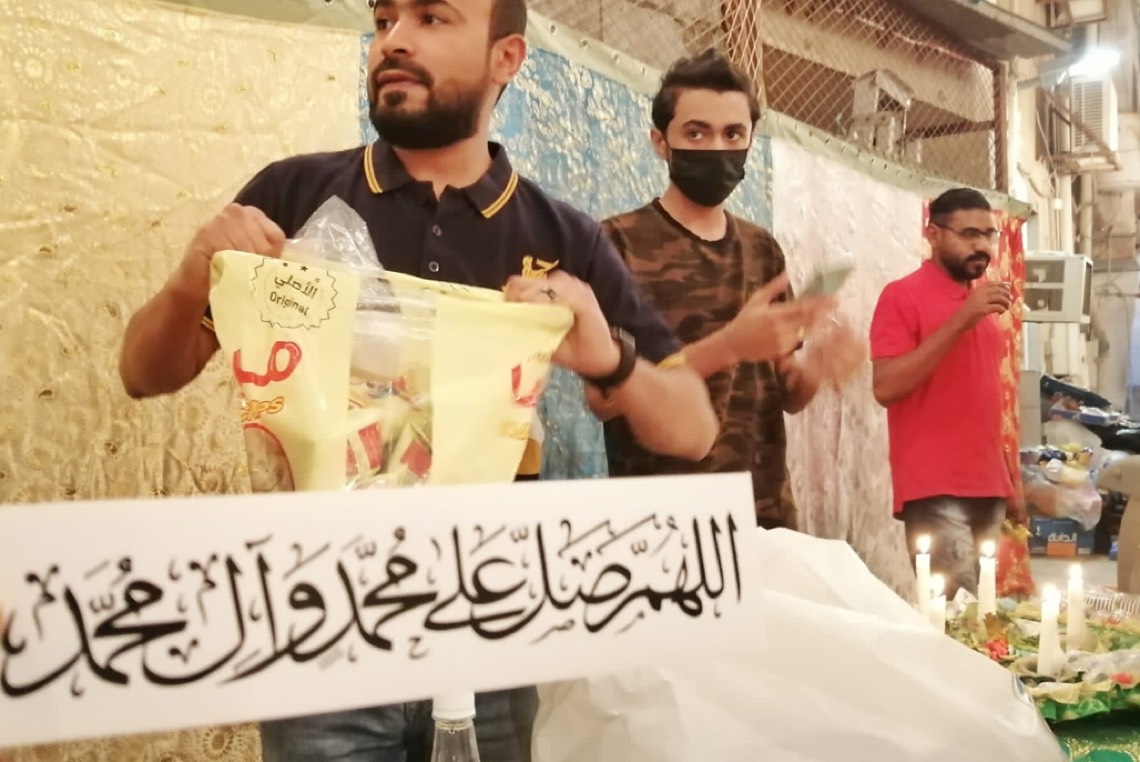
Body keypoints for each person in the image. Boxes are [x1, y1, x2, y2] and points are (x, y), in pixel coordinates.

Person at [117, 0, 719, 759]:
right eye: (384, 19)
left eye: (432, 18)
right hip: (321, 635)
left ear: (506, 58)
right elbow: (142, 374)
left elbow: (694, 429)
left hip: (489, 640)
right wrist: (188, 282)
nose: (394, 40)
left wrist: (609, 360)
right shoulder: (292, 196)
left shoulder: (561, 237)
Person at [596, 49, 865, 530]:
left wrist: (817, 367)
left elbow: (786, 391)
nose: (717, 148)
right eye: (696, 133)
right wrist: (729, 346)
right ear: (660, 142)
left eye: (733, 134)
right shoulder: (615, 244)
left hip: (766, 517)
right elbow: (605, 401)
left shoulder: (762, 250)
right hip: (662, 525)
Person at [870, 188, 1026, 599]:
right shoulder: (902, 296)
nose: (982, 246)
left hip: (987, 486)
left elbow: (982, 398)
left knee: (986, 614)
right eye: (969, 234)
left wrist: (1009, 482)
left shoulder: (981, 306)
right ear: (933, 234)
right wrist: (961, 320)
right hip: (934, 485)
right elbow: (885, 387)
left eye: (989, 235)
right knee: (956, 616)